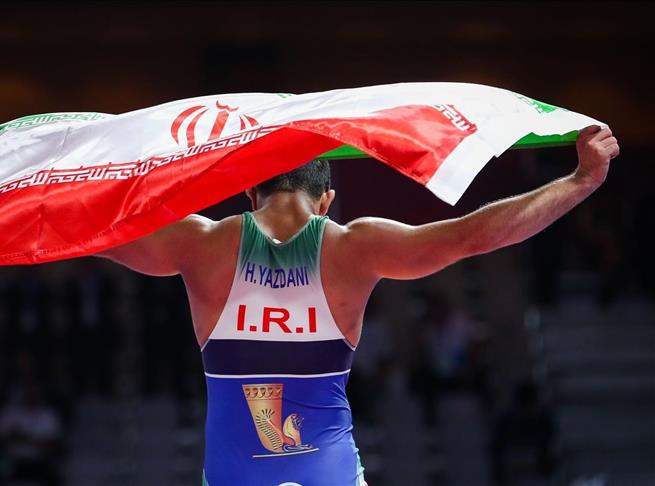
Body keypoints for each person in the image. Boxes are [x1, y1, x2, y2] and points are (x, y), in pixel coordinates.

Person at [97, 126, 619, 486]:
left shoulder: (200, 244)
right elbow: (475, 236)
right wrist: (581, 180)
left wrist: (54, 171)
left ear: (250, 192)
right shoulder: (354, 247)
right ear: (327, 200)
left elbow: (87, 233)